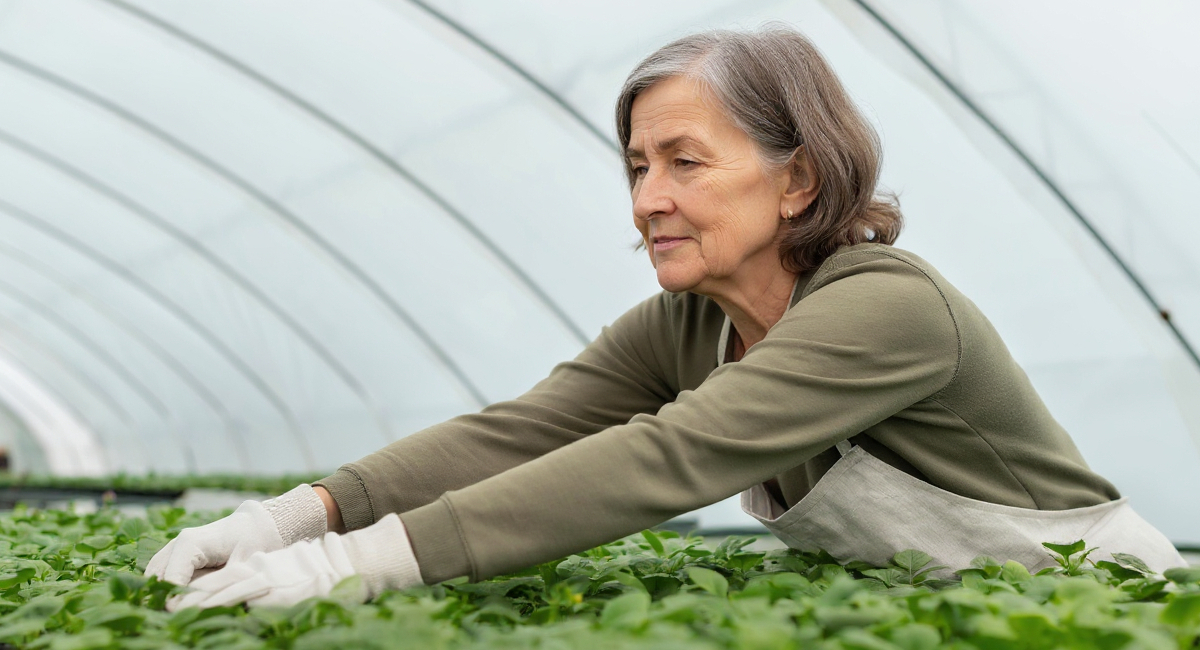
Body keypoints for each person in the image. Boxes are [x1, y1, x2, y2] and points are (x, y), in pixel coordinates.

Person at [148, 26, 1185, 609]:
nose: (648, 196)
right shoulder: (684, 325)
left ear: (797, 181)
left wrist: (357, 565)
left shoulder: (887, 306)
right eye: (639, 165)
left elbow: (670, 456)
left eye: (686, 162)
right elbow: (518, 431)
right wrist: (299, 514)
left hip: (1091, 611)